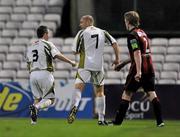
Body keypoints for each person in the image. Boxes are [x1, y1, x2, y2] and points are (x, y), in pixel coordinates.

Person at [111, 11, 164, 127]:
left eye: (125, 21)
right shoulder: (142, 32)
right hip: (149, 65)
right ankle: (160, 121)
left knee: (127, 93)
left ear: (128, 22)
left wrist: (139, 71)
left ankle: (117, 122)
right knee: (151, 93)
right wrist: (123, 64)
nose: (125, 23)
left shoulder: (132, 35)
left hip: (139, 67)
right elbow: (141, 53)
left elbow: (137, 52)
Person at [67, 15, 120, 125]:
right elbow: (114, 43)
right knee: (100, 92)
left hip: (85, 65)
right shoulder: (102, 32)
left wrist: (83, 49)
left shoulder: (82, 33)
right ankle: (101, 119)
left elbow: (74, 51)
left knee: (78, 87)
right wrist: (117, 59)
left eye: (81, 22)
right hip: (98, 66)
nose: (80, 24)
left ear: (87, 22)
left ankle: (75, 107)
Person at [26, 25, 76, 124]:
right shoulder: (48, 44)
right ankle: (36, 107)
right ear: (45, 34)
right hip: (44, 73)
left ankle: (33, 122)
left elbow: (28, 63)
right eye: (48, 33)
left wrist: (32, 73)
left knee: (37, 98)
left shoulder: (31, 46)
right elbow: (57, 55)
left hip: (32, 74)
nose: (49, 35)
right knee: (51, 100)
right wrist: (71, 62)